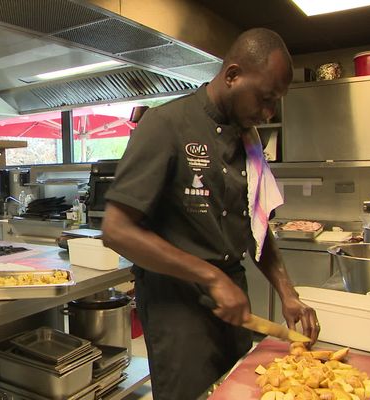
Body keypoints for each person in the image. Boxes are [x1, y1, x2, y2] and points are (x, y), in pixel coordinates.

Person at [101, 28, 320, 399]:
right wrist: (210, 276)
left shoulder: (249, 140)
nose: (267, 114)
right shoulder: (165, 125)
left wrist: (287, 292)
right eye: (265, 99)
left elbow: (258, 227)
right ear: (233, 75)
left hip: (234, 300)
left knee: (237, 391)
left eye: (275, 104)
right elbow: (116, 230)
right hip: (178, 305)